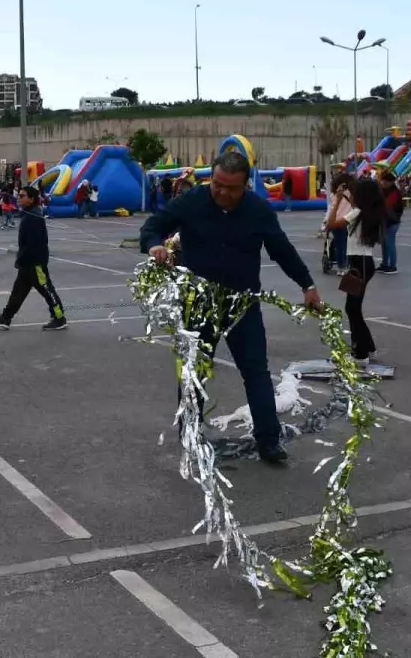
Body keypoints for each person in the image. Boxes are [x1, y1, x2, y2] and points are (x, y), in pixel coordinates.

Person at [140, 152, 322, 464]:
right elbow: (153, 226)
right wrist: (155, 244)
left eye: (231, 188)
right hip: (199, 305)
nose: (222, 193)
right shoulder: (192, 201)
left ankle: (269, 441)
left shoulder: (258, 211)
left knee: (256, 372)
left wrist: (307, 285)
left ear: (246, 185)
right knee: (193, 374)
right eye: (218, 185)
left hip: (242, 306)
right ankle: (190, 435)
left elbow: (282, 250)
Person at [0, 186, 67, 332]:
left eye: (22, 196)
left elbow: (34, 243)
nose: (19, 198)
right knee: (18, 292)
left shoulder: (33, 217)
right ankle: (6, 317)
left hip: (34, 263)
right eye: (19, 196)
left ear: (31, 198)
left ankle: (59, 318)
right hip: (26, 264)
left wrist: (23, 258)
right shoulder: (29, 213)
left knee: (47, 291)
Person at [327, 178, 384, 363]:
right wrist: (345, 196)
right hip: (363, 263)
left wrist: (336, 200)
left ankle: (360, 354)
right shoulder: (366, 212)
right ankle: (368, 347)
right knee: (354, 308)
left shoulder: (357, 213)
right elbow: (353, 209)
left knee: (352, 308)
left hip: (359, 264)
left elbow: (331, 224)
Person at [378, 171, 403, 274]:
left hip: (392, 221)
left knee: (390, 243)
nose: (383, 183)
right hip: (385, 221)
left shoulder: (394, 193)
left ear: (391, 182)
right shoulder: (383, 191)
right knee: (384, 244)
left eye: (385, 181)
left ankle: (393, 266)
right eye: (382, 181)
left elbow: (388, 206)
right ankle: (384, 264)